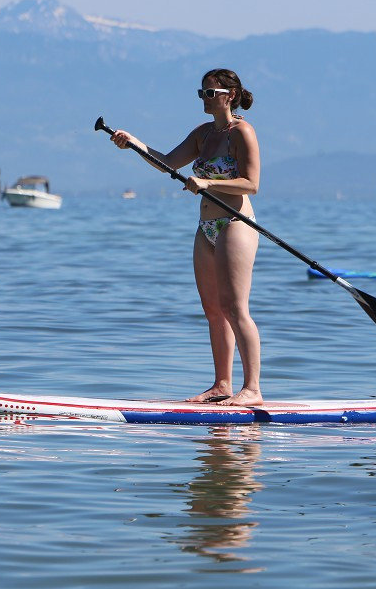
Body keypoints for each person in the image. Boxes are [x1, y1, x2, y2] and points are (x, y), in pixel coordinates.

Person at [109, 69, 263, 407]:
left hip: (236, 224)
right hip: (205, 228)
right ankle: (222, 384)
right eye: (201, 93)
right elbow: (167, 163)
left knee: (235, 308)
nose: (204, 99)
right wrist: (135, 144)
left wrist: (208, 183)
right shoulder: (203, 134)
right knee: (212, 310)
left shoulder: (243, 133)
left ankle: (252, 389)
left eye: (210, 93)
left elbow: (251, 184)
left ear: (230, 96)